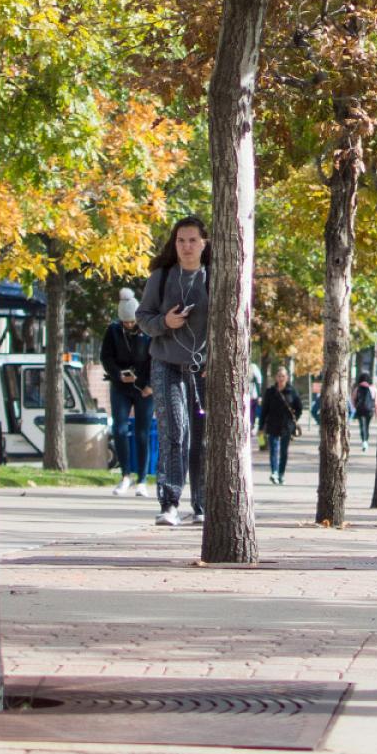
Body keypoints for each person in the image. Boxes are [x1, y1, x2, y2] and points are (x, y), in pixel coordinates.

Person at [137, 215, 211, 527]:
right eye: (181, 240)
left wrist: (217, 359)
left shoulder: (216, 276)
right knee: (174, 431)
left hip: (205, 368)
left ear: (204, 243)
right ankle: (169, 502)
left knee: (203, 436)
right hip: (166, 362)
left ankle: (203, 504)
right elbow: (143, 317)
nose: (186, 246)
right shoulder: (162, 276)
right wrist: (165, 322)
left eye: (193, 240)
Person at [103, 288, 154, 498]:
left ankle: (142, 479)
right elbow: (106, 357)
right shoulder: (113, 331)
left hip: (144, 388)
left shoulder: (147, 333)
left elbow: (155, 358)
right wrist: (117, 374)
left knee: (142, 433)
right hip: (121, 386)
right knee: (120, 429)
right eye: (125, 322)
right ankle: (125, 475)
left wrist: (149, 384)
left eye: (132, 322)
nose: (129, 325)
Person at [262, 366, 299, 484]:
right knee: (273, 449)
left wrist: (294, 421)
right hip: (273, 424)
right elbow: (264, 410)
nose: (281, 378)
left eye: (283, 376)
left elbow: (299, 408)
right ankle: (274, 472)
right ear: (276, 378)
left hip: (286, 426)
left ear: (287, 377)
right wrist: (261, 426)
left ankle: (281, 473)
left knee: (283, 451)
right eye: (279, 376)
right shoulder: (270, 392)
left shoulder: (292, 392)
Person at [352, 373, 377, 453]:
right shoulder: (373, 389)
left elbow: (353, 399)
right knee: (367, 426)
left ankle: (364, 442)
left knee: (362, 426)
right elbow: (376, 402)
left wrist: (355, 408)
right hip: (370, 410)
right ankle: (366, 441)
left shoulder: (357, 388)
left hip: (360, 410)